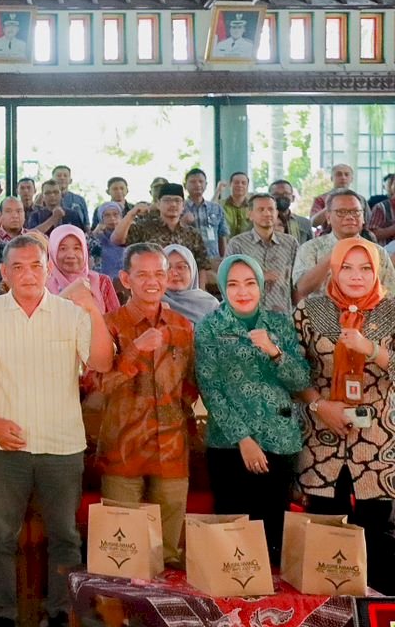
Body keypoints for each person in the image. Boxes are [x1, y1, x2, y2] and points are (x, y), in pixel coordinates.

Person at [0, 235, 112, 627]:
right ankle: (1, 618)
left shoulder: (71, 313)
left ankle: (62, 617)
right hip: (4, 444)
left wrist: (93, 310)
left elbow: (102, 362)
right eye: (18, 267)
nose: (28, 274)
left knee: (65, 535)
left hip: (61, 442)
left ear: (48, 269)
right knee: (1, 534)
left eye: (36, 266)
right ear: (4, 272)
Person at [293, 236, 395, 593]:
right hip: (322, 440)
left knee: (376, 543)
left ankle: (371, 623)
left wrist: (371, 349)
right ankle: (327, 620)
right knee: (324, 544)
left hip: (376, 444)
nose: (356, 276)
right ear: (333, 269)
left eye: (365, 268)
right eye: (347, 267)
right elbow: (293, 372)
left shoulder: (391, 311)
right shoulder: (309, 311)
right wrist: (320, 406)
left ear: (377, 270)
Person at [195, 254, 309, 562]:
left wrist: (275, 352)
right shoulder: (209, 327)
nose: (242, 291)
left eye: (249, 283)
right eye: (233, 284)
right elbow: (211, 389)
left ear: (260, 286)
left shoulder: (279, 324)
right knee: (233, 543)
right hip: (229, 445)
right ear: (223, 288)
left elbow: (301, 380)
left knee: (274, 539)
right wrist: (243, 439)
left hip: (279, 440)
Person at [94, 244, 197, 562]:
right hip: (123, 449)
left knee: (168, 553)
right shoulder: (109, 324)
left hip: (171, 449)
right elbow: (99, 387)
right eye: (142, 275)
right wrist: (134, 350)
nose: (152, 282)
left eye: (159, 274)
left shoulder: (182, 326)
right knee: (122, 554)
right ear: (126, 279)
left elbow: (191, 384)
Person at [294, 188, 395, 302]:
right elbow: (303, 289)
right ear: (328, 217)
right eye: (341, 212)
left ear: (363, 217)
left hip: (369, 313)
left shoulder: (377, 251)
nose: (349, 217)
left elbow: (390, 294)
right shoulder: (311, 248)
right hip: (322, 312)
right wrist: (334, 254)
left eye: (355, 212)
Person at [117, 184, 212, 280]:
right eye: (167, 200)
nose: (173, 204)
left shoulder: (192, 234)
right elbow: (117, 240)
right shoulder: (144, 227)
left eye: (177, 201)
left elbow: (201, 266)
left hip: (182, 285)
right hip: (151, 284)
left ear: (183, 206)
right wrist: (131, 214)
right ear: (158, 204)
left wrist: (200, 288)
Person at [226, 192, 299, 314]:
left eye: (271, 209)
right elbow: (228, 279)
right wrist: (259, 277)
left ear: (276, 213)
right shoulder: (237, 243)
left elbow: (297, 281)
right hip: (248, 315)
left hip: (282, 315)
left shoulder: (290, 243)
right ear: (250, 214)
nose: (267, 213)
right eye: (261, 209)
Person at [47, 225, 121, 314]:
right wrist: (71, 290)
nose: (71, 255)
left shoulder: (102, 282)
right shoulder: (43, 286)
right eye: (63, 249)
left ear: (85, 251)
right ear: (52, 251)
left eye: (77, 248)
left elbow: (116, 319)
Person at [162, 244, 220, 323]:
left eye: (181, 267)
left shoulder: (211, 304)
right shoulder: (153, 303)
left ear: (192, 270)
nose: (174, 273)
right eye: (168, 267)